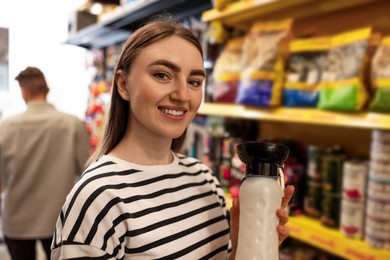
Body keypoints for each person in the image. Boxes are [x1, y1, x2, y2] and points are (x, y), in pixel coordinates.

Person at [51, 17, 294, 259]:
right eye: (162, 75)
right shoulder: (97, 196)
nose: (182, 95)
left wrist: (244, 248)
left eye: (194, 81)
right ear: (124, 85)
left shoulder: (204, 179)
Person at [0, 66, 90, 260]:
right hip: (59, 218)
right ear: (46, 89)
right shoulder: (71, 124)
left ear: (23, 91)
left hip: (16, 218)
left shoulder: (5, 127)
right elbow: (86, 171)